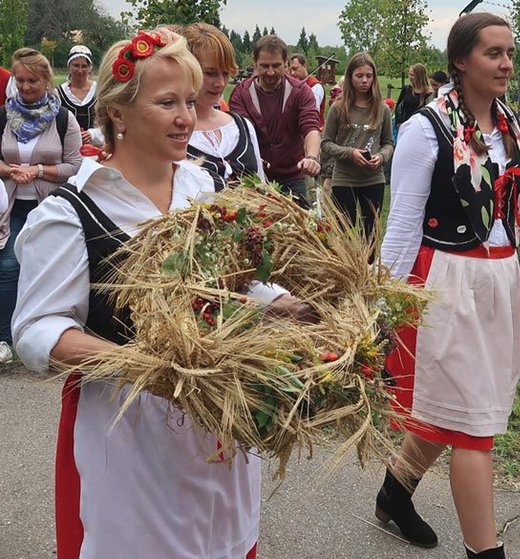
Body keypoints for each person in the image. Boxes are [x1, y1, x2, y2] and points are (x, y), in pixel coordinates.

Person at [12, 28, 307, 558]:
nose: (186, 118)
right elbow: (37, 330)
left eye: (190, 102)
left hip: (219, 425)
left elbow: (236, 284)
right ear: (118, 113)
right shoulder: (72, 212)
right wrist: (147, 365)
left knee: (222, 541)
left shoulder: (202, 188)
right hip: (129, 436)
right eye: (167, 102)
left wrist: (282, 305)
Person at [379, 12, 520, 559]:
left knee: (459, 407)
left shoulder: (511, 125)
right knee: (472, 427)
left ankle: (394, 492)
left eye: (510, 53)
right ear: (461, 61)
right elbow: (402, 224)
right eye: (494, 53)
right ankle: (484, 552)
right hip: (445, 279)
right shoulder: (427, 128)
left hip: (499, 279)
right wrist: (380, 302)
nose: (507, 64)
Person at [0, 47, 83, 345]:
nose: (25, 87)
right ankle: (5, 340)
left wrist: (36, 170)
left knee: (48, 271)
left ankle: (50, 335)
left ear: (46, 79)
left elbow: (74, 166)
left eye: (32, 80)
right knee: (9, 266)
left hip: (49, 208)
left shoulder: (63, 119)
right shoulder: (3, 116)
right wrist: (10, 171)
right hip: (9, 208)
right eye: (20, 80)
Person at [229, 34, 321, 204]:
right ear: (254, 62)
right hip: (254, 179)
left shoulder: (300, 91)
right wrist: (253, 158)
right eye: (264, 66)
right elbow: (242, 135)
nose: (270, 72)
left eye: (276, 65)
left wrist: (312, 158)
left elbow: (310, 127)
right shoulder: (241, 94)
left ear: (286, 63)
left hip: (293, 178)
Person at [182, 23, 266, 189]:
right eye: (210, 73)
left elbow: (262, 188)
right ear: (187, 69)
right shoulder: (173, 132)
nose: (220, 83)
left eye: (225, 73)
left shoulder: (242, 126)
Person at [321, 52, 393, 243]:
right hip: (344, 178)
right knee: (344, 234)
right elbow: (326, 142)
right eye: (359, 76)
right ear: (350, 77)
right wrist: (349, 153)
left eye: (369, 76)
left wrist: (382, 157)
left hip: (373, 178)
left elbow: (388, 143)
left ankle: (369, 271)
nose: (364, 81)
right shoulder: (338, 108)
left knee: (371, 234)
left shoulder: (382, 109)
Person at [56, 45, 104, 147]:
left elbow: (107, 123)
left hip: (94, 150)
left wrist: (92, 134)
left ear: (90, 68)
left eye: (84, 66)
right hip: (66, 149)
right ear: (69, 66)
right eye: (76, 65)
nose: (80, 70)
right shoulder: (59, 93)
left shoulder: (99, 91)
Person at [289, 53, 326, 129]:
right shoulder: (293, 84)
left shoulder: (315, 86)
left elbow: (312, 114)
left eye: (295, 69)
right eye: (290, 70)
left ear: (305, 66)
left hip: (314, 130)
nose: (292, 73)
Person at [395, 63, 433, 130]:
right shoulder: (406, 89)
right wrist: (399, 122)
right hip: (405, 127)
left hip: (421, 128)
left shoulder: (430, 93)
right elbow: (398, 107)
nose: (410, 77)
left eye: (412, 75)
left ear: (420, 76)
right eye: (409, 74)